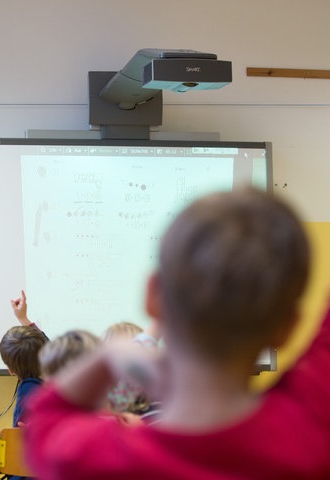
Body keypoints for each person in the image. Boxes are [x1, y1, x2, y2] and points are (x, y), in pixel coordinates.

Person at [23, 186, 330, 479]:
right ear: (288, 328)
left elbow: (45, 418)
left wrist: (109, 354)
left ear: (152, 295)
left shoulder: (92, 459)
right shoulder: (311, 432)